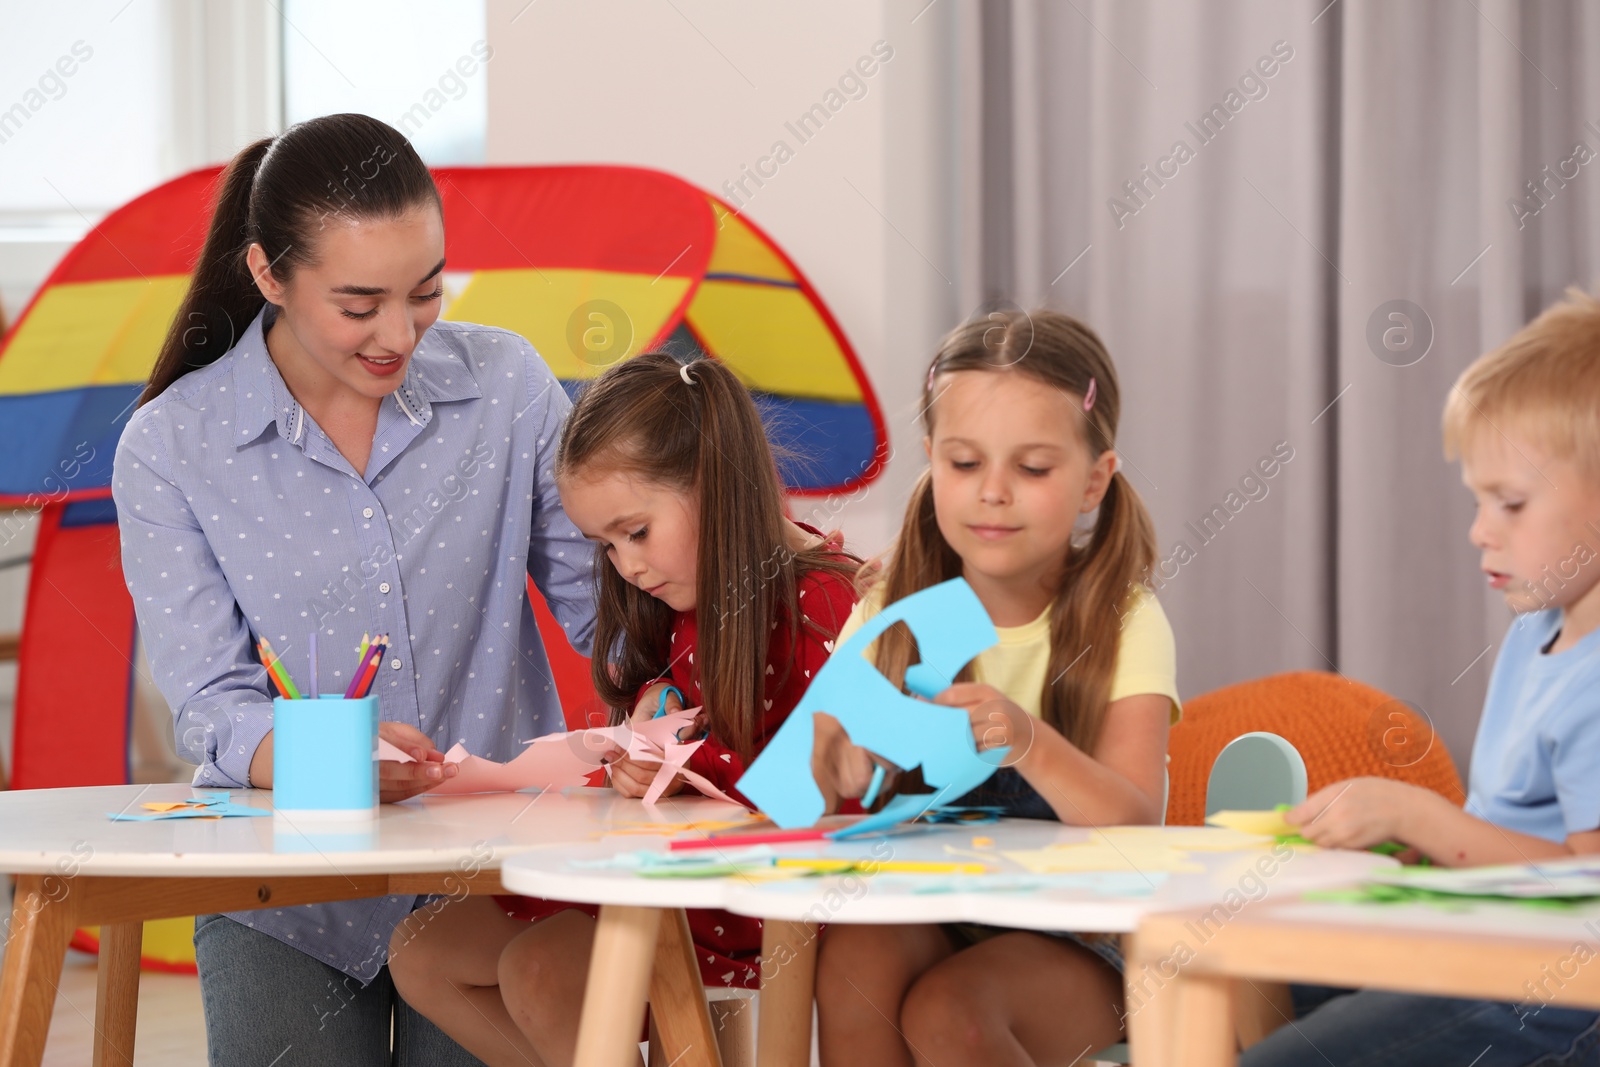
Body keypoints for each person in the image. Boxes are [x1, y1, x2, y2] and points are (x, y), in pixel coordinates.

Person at [112, 113, 595, 1066]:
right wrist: (329, 761)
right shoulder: (172, 447)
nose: (399, 332)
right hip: (288, 897)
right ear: (267, 275)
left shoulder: (506, 385)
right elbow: (210, 709)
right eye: (359, 302)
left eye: (425, 291)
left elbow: (606, 604)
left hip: (490, 872)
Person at [388, 351, 859, 1065]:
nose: (626, 565)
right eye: (605, 544)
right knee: (422, 949)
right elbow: (663, 713)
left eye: (635, 532)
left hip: (755, 899)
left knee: (541, 973)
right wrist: (639, 743)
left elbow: (819, 796)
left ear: (717, 482)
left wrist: (682, 766)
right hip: (661, 874)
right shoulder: (678, 593)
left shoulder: (824, 606)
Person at [812, 309, 1181, 1065]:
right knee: (853, 963)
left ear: (1094, 481)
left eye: (1033, 468)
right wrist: (837, 758)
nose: (993, 493)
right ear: (931, 463)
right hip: (932, 910)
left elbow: (1135, 822)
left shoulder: (1123, 618)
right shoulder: (893, 608)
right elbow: (818, 775)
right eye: (965, 463)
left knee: (953, 1013)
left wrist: (1029, 741)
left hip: (1089, 939)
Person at [1244, 289, 1600, 1066]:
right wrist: (1428, 850)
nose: (1479, 528)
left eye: (1511, 502)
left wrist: (1423, 816)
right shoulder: (1538, 630)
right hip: (1488, 941)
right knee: (1243, 973)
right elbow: (1519, 835)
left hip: (1560, 990)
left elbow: (1589, 886)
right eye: (1478, 500)